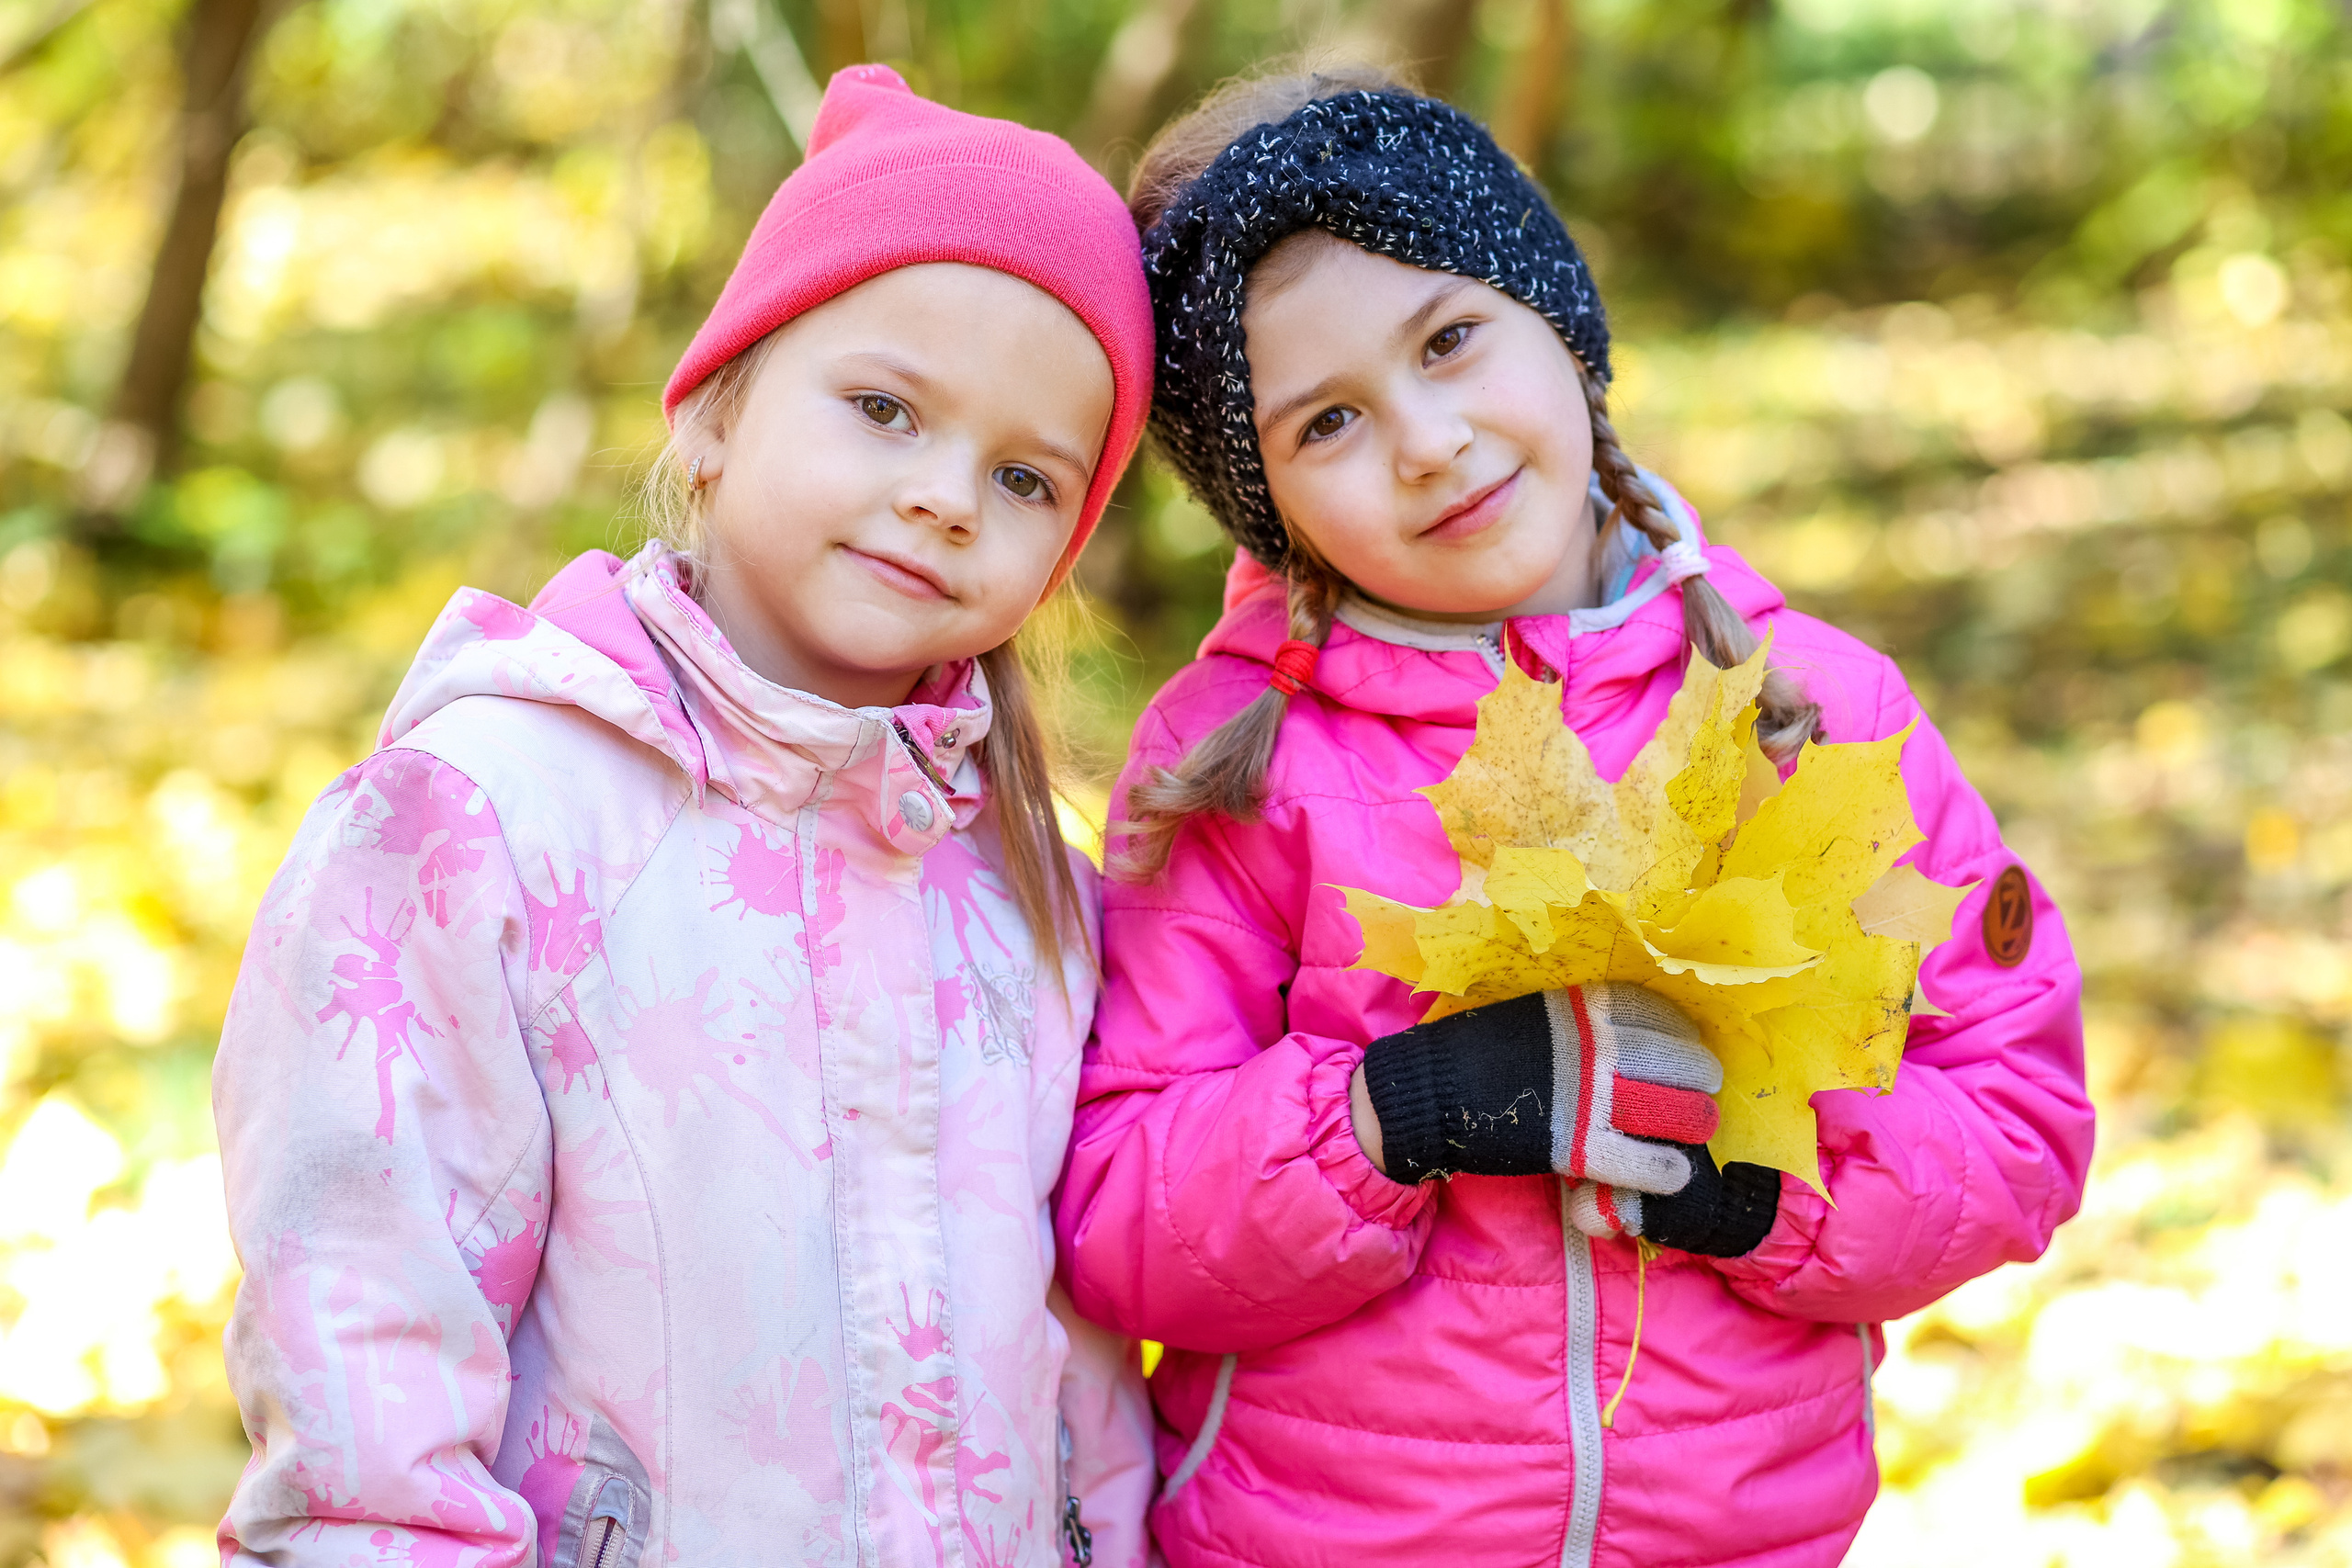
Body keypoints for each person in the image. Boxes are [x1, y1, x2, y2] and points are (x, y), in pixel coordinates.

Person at [1055, 64, 2093, 1568]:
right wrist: (1385, 1119)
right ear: (1261, 497)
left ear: (1560, 318)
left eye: (1452, 339)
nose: (1427, 439)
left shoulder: (1819, 713)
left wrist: (1770, 1192)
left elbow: (2017, 1110)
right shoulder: (1234, 766)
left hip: (1741, 1536)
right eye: (1328, 420)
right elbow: (1115, 1214)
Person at [213, 65, 1158, 1568]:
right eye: (884, 408)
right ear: (716, 412)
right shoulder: (483, 820)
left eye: (1025, 476)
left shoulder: (1026, 877)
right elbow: (365, 1345)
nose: (945, 497)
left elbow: (1081, 1363)